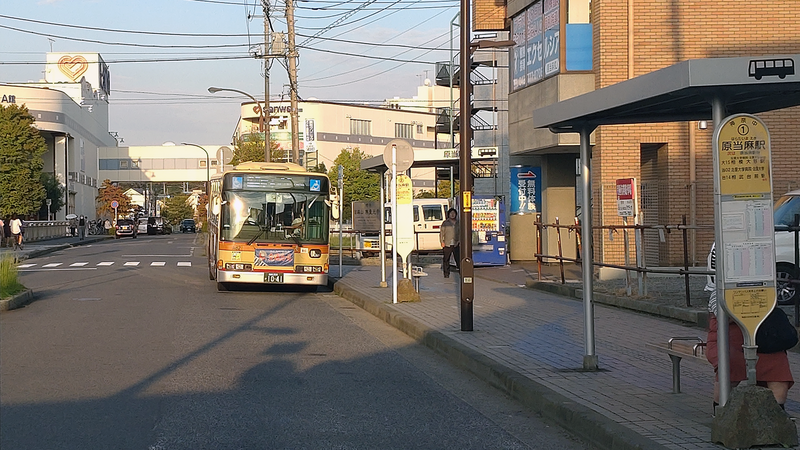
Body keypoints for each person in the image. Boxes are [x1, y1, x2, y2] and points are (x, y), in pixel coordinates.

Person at [705, 243, 794, 414]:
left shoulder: (764, 285)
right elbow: (726, 315)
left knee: (777, 363)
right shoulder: (718, 291)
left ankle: (776, 412)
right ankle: (721, 409)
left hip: (761, 338)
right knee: (730, 362)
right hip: (728, 339)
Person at [439, 208, 460, 278]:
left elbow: (461, 232)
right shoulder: (445, 223)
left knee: (458, 259)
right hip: (447, 243)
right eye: (451, 213)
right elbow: (442, 233)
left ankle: (461, 272)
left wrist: (459, 241)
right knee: (446, 259)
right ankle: (446, 273)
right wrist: (442, 242)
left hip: (456, 243)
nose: (452, 215)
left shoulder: (458, 222)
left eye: (454, 213)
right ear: (448, 214)